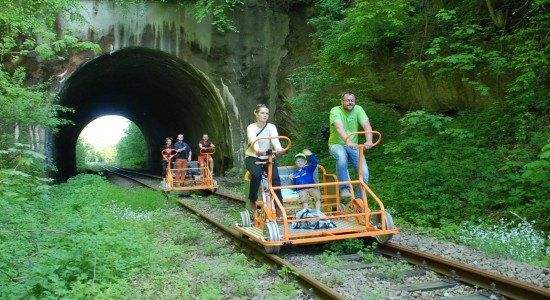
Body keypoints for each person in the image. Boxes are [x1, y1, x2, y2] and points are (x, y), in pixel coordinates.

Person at [328, 92, 374, 200]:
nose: (350, 102)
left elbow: (366, 124)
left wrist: (369, 140)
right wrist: (348, 141)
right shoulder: (335, 110)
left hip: (353, 146)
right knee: (341, 156)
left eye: (352, 100)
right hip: (337, 144)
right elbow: (339, 127)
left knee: (364, 172)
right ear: (342, 101)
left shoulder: (358, 109)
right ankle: (344, 188)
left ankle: (361, 201)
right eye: (347, 100)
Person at [245, 104, 285, 215]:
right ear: (256, 114)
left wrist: (278, 148)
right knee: (257, 175)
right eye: (262, 113)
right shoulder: (251, 127)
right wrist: (257, 149)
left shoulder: (271, 127)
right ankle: (253, 199)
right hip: (253, 156)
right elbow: (253, 140)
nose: (265, 115)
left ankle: (278, 206)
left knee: (276, 178)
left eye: (266, 113)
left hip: (268, 156)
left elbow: (275, 139)